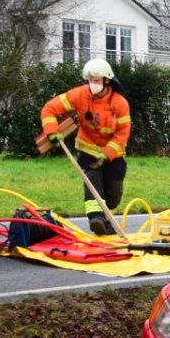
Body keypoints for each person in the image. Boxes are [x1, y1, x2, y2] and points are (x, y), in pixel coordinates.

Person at [39, 59, 131, 235]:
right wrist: (51, 131)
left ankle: (106, 219)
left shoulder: (120, 103)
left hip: (113, 155)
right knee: (92, 183)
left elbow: (122, 134)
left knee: (113, 193)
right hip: (88, 151)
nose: (92, 84)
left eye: (96, 80)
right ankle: (96, 219)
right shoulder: (80, 95)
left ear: (106, 80)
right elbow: (50, 109)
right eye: (90, 80)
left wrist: (107, 154)